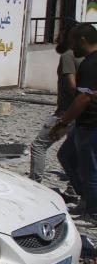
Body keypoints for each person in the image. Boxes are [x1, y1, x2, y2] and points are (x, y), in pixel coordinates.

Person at [54, 23, 97, 224]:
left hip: (89, 124)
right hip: (84, 124)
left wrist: (63, 122)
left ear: (82, 40)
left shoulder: (90, 64)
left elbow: (83, 98)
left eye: (73, 41)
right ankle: (87, 199)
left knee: (90, 171)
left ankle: (93, 210)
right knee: (66, 156)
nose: (71, 46)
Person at [30, 20, 82, 183]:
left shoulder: (68, 56)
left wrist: (65, 119)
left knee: (39, 146)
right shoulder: (86, 57)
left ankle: (34, 184)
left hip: (67, 112)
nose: (57, 36)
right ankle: (74, 189)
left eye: (61, 32)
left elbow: (72, 87)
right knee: (72, 153)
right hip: (82, 113)